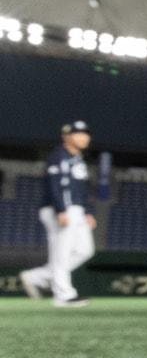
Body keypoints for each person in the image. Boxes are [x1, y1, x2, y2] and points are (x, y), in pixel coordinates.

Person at [20, 121, 96, 308]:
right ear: (66, 137)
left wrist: (87, 211)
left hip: (76, 209)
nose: (83, 137)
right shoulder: (58, 157)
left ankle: (36, 276)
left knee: (85, 250)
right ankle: (63, 295)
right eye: (78, 133)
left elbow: (81, 190)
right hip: (60, 209)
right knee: (61, 254)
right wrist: (61, 209)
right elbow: (56, 186)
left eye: (85, 133)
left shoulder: (78, 159)